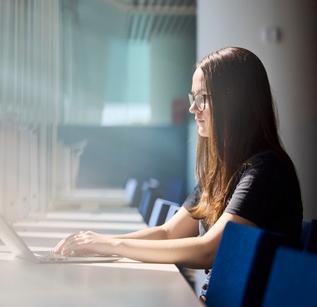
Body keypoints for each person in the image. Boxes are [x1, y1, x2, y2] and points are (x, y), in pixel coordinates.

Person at [51, 47, 303, 298]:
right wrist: (99, 243)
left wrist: (110, 245)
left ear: (234, 101)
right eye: (193, 97)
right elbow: (168, 232)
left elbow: (210, 249)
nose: (193, 108)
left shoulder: (265, 169)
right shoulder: (222, 170)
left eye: (202, 97)